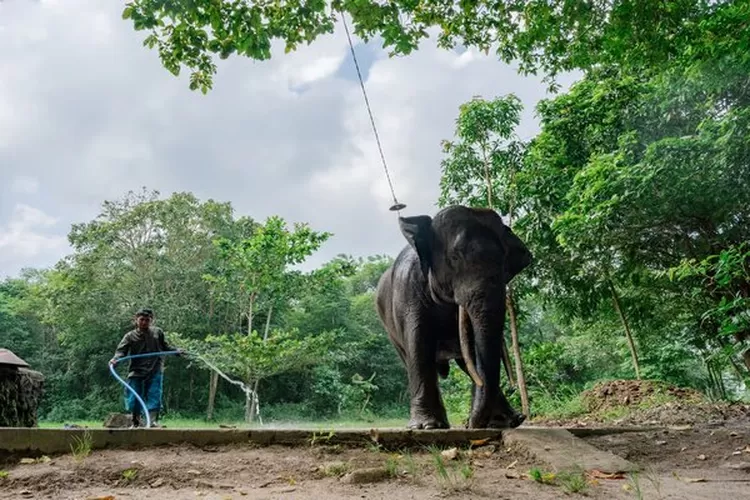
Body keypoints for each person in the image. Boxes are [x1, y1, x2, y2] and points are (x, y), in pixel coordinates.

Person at [109, 308, 183, 428]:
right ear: (136, 320)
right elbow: (121, 352)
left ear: (151, 320)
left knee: (154, 394)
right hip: (136, 370)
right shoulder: (129, 336)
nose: (144, 322)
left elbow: (165, 347)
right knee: (133, 397)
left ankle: (152, 421)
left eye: (147, 320)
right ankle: (135, 422)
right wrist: (115, 360)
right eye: (142, 320)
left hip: (155, 368)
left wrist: (176, 351)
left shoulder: (157, 333)